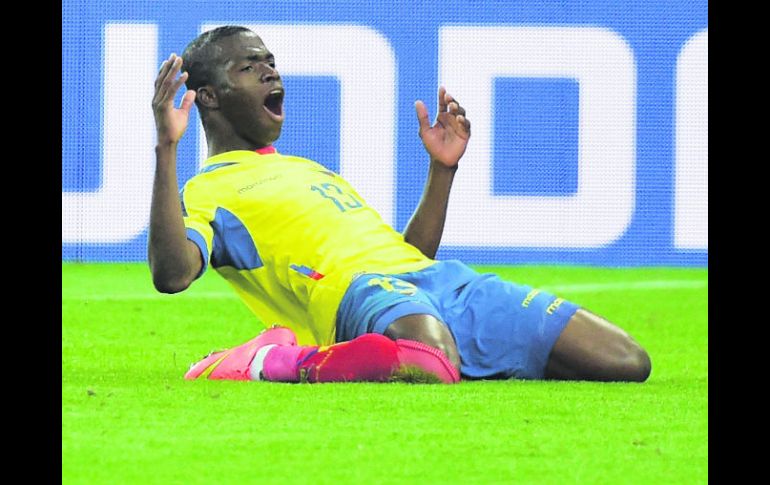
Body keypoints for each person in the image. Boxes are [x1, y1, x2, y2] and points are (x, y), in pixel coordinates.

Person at [150, 26, 651, 384]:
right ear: (209, 98)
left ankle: (412, 352)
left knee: (626, 361)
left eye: (270, 62)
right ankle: (270, 362)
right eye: (249, 66)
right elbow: (172, 274)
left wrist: (442, 172)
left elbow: (408, 254)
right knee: (428, 359)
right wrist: (167, 149)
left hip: (442, 284)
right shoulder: (207, 191)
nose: (268, 72)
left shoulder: (311, 169)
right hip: (355, 293)